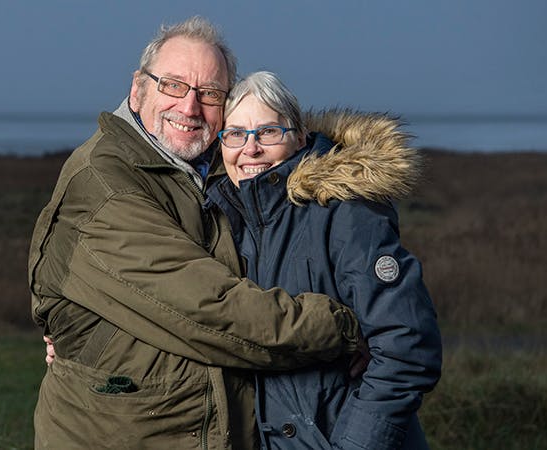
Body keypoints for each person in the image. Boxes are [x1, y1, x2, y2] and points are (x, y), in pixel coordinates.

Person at [28, 17, 363, 449]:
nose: (189, 108)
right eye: (172, 85)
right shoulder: (106, 188)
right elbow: (216, 312)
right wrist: (352, 327)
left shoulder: (223, 164)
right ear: (138, 88)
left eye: (209, 94)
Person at [204, 72, 442, 449]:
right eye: (236, 134)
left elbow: (407, 345)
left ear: (299, 138)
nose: (250, 149)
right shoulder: (224, 222)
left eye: (268, 132)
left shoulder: (344, 210)